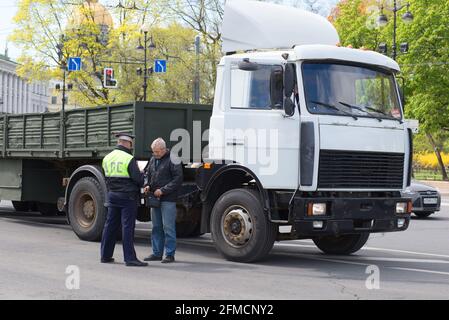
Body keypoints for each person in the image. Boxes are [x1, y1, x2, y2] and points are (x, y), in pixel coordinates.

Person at [101, 132, 148, 267]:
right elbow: (138, 179)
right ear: (127, 143)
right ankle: (130, 259)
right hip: (127, 197)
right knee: (127, 227)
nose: (131, 147)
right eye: (131, 144)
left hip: (112, 195)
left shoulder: (107, 158)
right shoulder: (128, 158)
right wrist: (142, 175)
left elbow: (106, 176)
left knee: (110, 225)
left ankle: (105, 255)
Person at [144, 138, 183, 263]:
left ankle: (170, 254)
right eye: (153, 152)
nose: (155, 154)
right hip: (155, 198)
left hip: (168, 198)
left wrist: (163, 190)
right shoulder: (153, 159)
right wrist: (147, 185)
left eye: (156, 152)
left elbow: (178, 179)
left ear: (163, 149)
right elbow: (147, 174)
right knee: (156, 227)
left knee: (168, 227)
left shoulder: (173, 158)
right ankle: (157, 253)